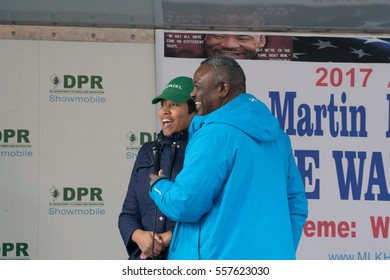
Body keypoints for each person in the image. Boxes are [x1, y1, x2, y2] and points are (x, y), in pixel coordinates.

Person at [149, 56, 308, 260]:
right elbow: (296, 204)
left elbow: (186, 204)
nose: (192, 93)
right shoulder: (278, 137)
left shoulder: (214, 135)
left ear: (223, 88)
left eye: (197, 86)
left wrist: (159, 186)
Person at [118, 76, 196, 260]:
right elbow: (128, 214)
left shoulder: (201, 151)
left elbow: (207, 215)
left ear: (194, 110)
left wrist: (166, 239)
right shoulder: (147, 151)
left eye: (174, 104)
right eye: (163, 105)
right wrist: (140, 237)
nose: (164, 112)